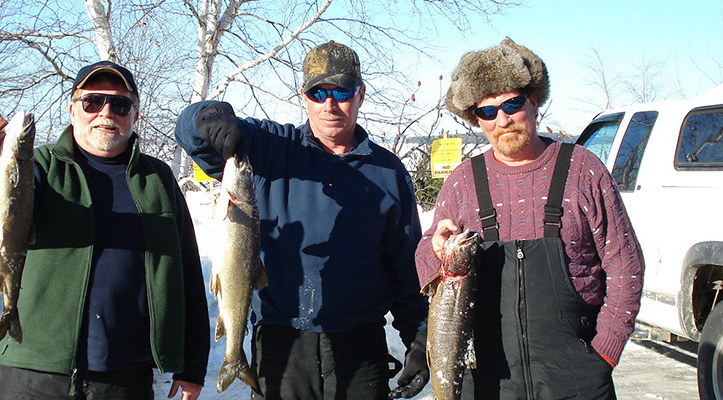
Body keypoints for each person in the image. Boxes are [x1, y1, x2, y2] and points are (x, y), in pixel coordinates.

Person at [175, 41, 429, 399]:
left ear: (360, 95)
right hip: (280, 345)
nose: (329, 103)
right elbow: (191, 135)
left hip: (361, 348)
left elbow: (406, 269)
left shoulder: (388, 172)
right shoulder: (267, 148)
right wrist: (207, 116)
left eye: (342, 91)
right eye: (318, 91)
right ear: (303, 96)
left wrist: (418, 340)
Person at [414, 37, 644, 399]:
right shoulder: (462, 183)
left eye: (512, 104)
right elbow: (425, 262)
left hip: (576, 378)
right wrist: (436, 250)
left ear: (534, 101)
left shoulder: (583, 171)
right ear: (476, 119)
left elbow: (625, 263)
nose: (502, 119)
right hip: (489, 382)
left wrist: (605, 351)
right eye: (487, 111)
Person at [0, 61, 210, 400]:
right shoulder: (38, 166)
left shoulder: (157, 180)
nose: (106, 113)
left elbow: (186, 273)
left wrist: (192, 365)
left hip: (124, 378)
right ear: (73, 110)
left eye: (119, 105)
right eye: (92, 102)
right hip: (32, 373)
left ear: (134, 115)